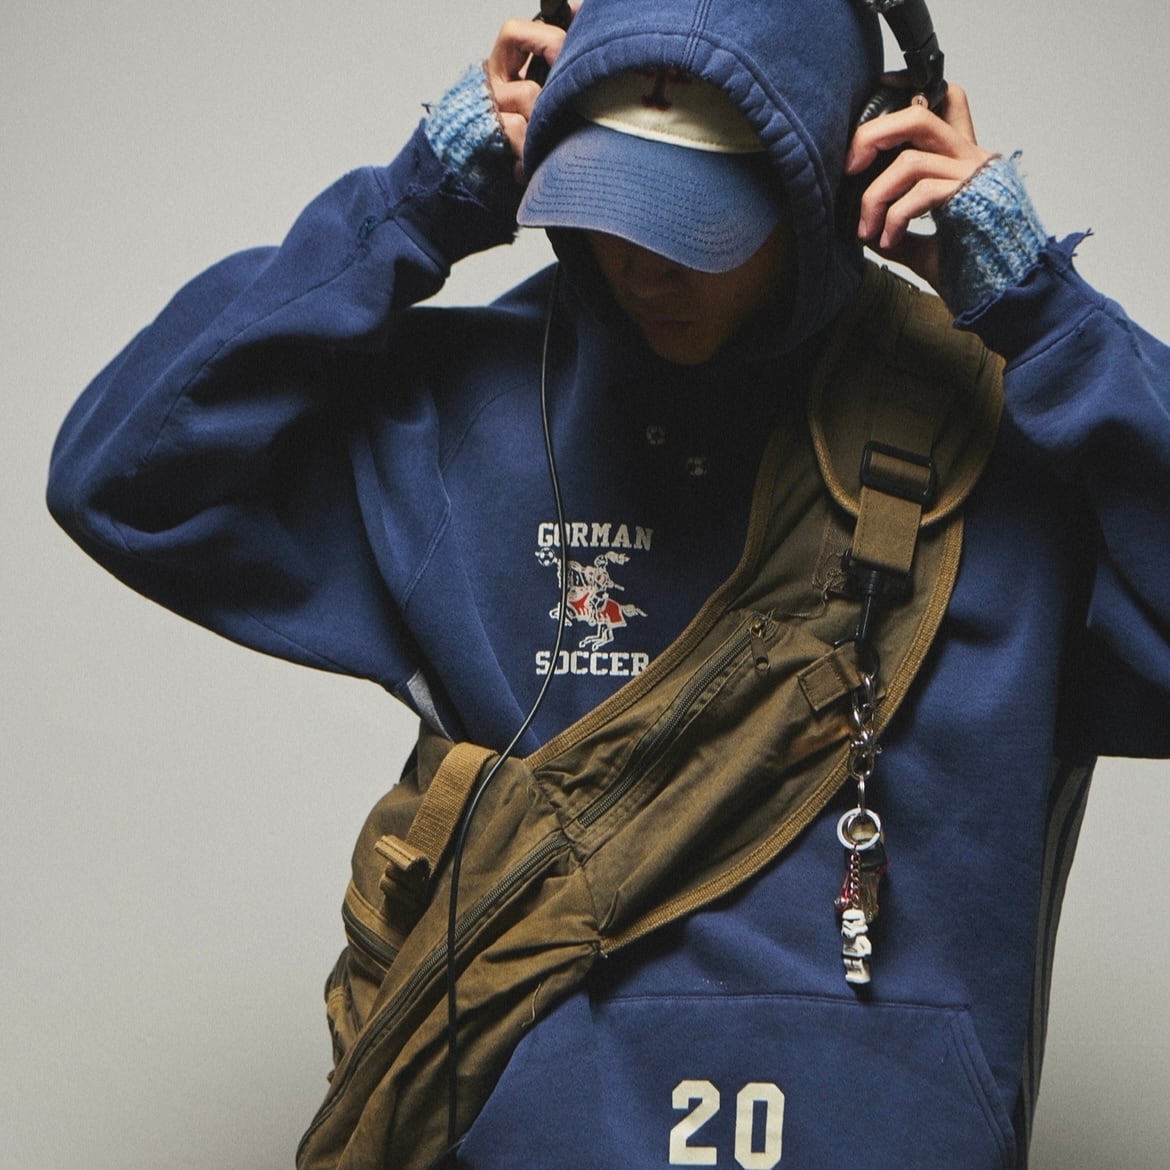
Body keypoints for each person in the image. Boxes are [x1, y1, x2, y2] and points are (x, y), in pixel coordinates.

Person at [45, 1, 1170, 1167]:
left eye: (703, 218)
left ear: (844, 177)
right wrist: (414, 201)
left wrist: (1047, 315)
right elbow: (121, 478)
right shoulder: (467, 414)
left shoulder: (1004, 447)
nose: (644, 262)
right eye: (609, 200)